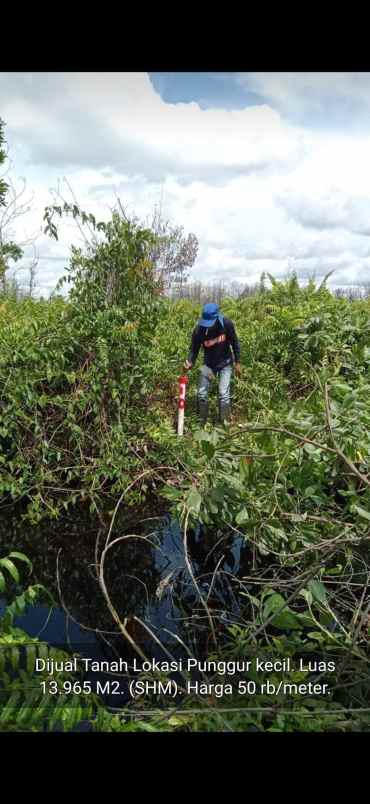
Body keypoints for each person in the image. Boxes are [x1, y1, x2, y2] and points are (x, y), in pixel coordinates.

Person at [183, 301, 241, 424]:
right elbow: (194, 349)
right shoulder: (199, 330)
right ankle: (202, 422)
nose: (208, 326)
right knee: (201, 393)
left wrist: (238, 362)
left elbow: (235, 342)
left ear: (217, 317)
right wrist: (190, 361)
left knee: (223, 394)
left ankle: (223, 425)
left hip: (225, 363)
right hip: (208, 365)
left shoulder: (226, 324)